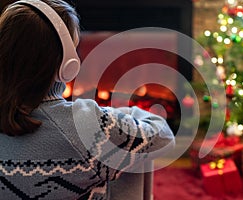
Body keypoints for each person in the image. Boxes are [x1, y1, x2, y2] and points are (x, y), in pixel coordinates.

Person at [0, 0, 175, 199]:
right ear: (67, 65)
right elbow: (163, 137)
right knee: (134, 152)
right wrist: (128, 113)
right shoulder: (87, 126)